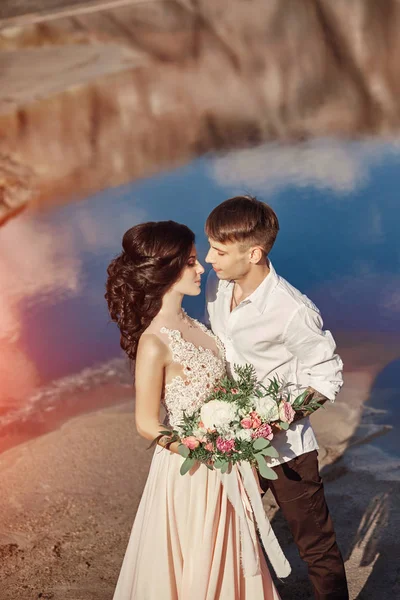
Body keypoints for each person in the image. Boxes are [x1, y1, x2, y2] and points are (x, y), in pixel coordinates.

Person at [105, 220, 285, 600]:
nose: (202, 267)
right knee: (197, 560)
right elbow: (146, 424)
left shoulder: (196, 323)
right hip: (191, 471)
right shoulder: (155, 341)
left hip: (226, 461)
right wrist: (202, 450)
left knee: (232, 556)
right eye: (190, 262)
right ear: (166, 270)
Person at [205, 196, 349, 600]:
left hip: (288, 451)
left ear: (253, 253)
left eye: (219, 250)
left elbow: (327, 376)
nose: (208, 258)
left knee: (315, 546)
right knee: (228, 536)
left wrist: (278, 419)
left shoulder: (292, 310)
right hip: (230, 444)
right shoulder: (218, 289)